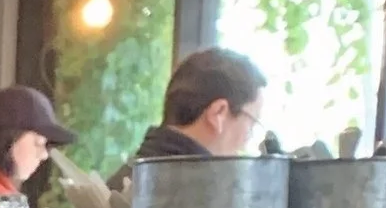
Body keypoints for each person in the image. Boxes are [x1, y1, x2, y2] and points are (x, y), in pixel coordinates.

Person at [111, 46, 269, 174]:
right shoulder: (198, 195)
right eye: (252, 123)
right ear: (218, 113)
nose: (248, 140)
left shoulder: (128, 178)